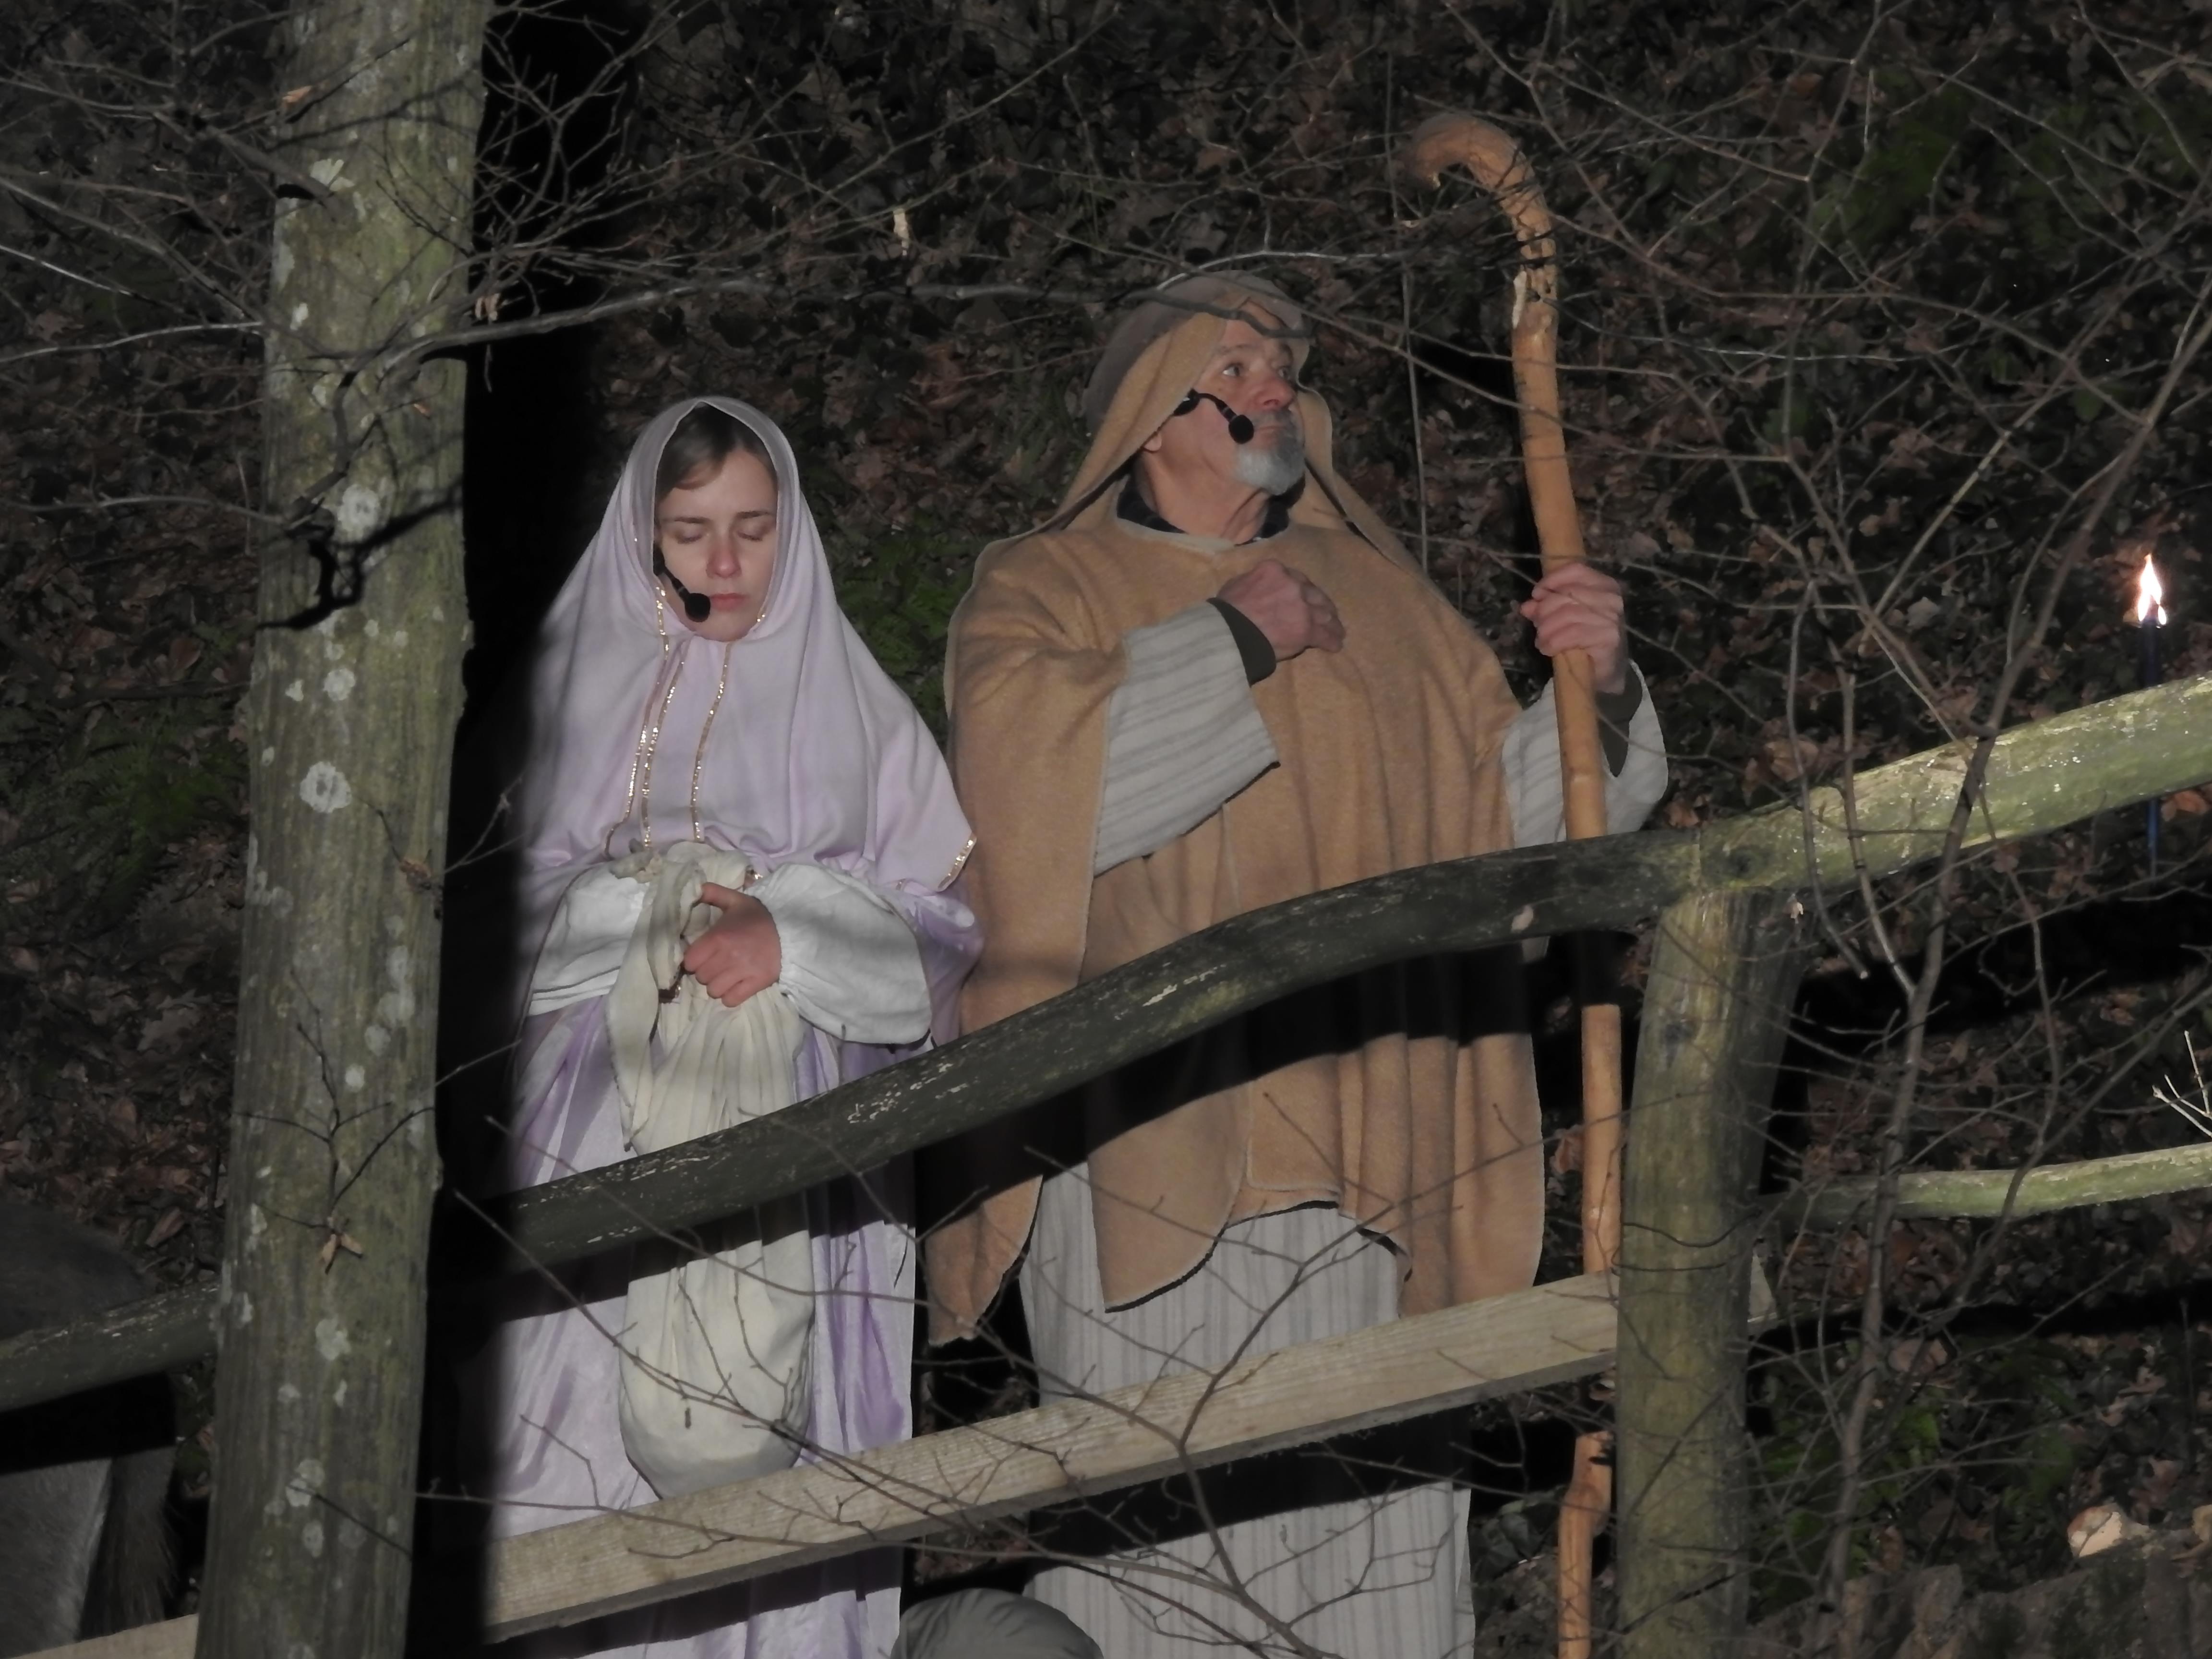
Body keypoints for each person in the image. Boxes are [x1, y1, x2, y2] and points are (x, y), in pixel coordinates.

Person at [925, 275, 1668, 1657]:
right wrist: (1233, 639)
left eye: (1283, 366)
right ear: (1155, 414)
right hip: (1145, 1153)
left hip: (1372, 1141)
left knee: (1370, 1532)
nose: (1275, 387)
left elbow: (1499, 841)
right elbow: (1026, 810)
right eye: (1237, 367)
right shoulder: (1045, 587)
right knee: (1161, 1531)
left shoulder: (1385, 602)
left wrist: (1599, 695)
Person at [485, 396, 980, 1657]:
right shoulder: (564, 691)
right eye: (690, 529)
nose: (723, 560)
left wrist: (790, 932)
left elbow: (942, 927)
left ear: (791, 530)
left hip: (799, 1116)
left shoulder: (852, 704)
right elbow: (489, 910)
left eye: (753, 529)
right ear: (642, 534)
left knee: (775, 1428)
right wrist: (649, 908)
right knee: (571, 1431)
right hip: (592, 1114)